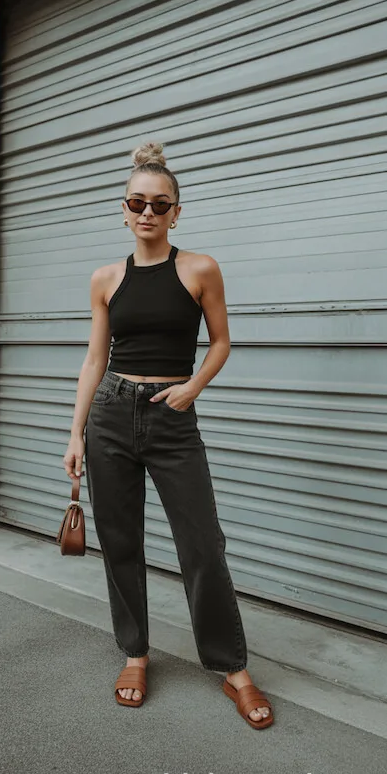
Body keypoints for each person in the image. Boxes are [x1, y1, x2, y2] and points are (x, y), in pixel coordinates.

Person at [63, 142, 273, 730]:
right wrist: (75, 433)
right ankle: (135, 654)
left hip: (172, 417)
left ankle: (232, 667)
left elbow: (222, 342)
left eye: (161, 204)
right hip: (110, 414)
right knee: (121, 541)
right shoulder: (105, 278)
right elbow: (93, 360)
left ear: (176, 212)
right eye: (138, 202)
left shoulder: (199, 268)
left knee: (203, 544)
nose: (148, 212)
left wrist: (192, 387)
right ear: (124, 210)